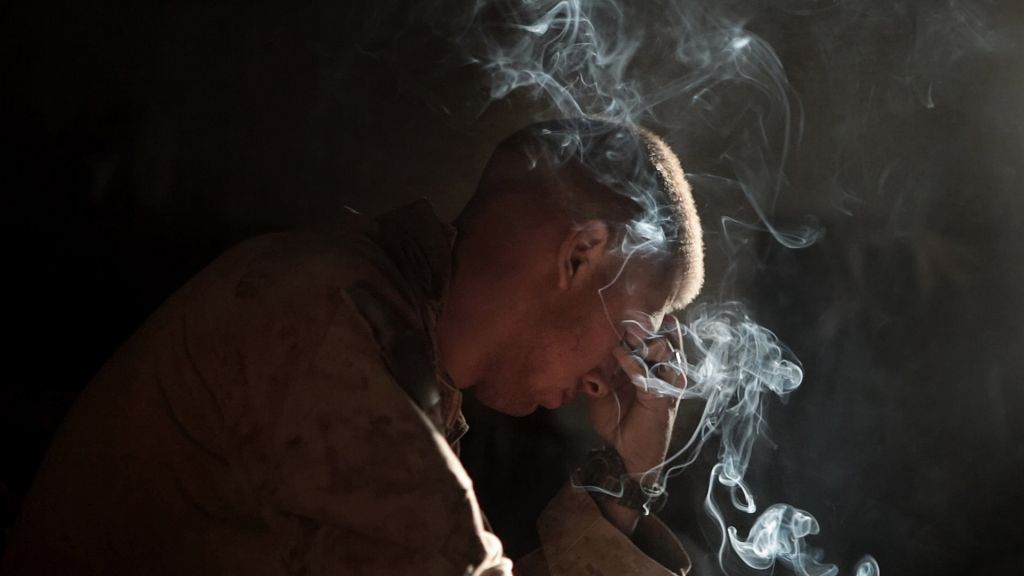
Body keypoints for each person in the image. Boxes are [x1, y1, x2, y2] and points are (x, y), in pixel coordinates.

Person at [0, 118, 704, 575]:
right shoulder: (325, 321)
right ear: (580, 254)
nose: (615, 371)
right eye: (636, 326)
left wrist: (625, 473)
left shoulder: (395, 343)